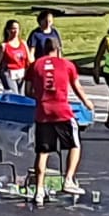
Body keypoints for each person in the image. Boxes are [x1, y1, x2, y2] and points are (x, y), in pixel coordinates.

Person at [27, 36, 93, 203]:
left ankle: (39, 190)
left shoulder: (35, 65)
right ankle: (68, 179)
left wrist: (41, 96)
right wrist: (87, 102)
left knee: (42, 151)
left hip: (43, 111)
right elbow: (76, 87)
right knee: (74, 144)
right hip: (61, 110)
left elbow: (28, 90)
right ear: (59, 49)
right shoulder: (67, 65)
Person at [0, 19, 31, 93]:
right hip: (8, 74)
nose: (15, 31)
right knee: (14, 94)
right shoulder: (4, 46)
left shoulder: (23, 43)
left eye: (17, 29)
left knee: (21, 96)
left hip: (21, 74)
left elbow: (29, 60)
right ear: (8, 30)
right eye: (13, 28)